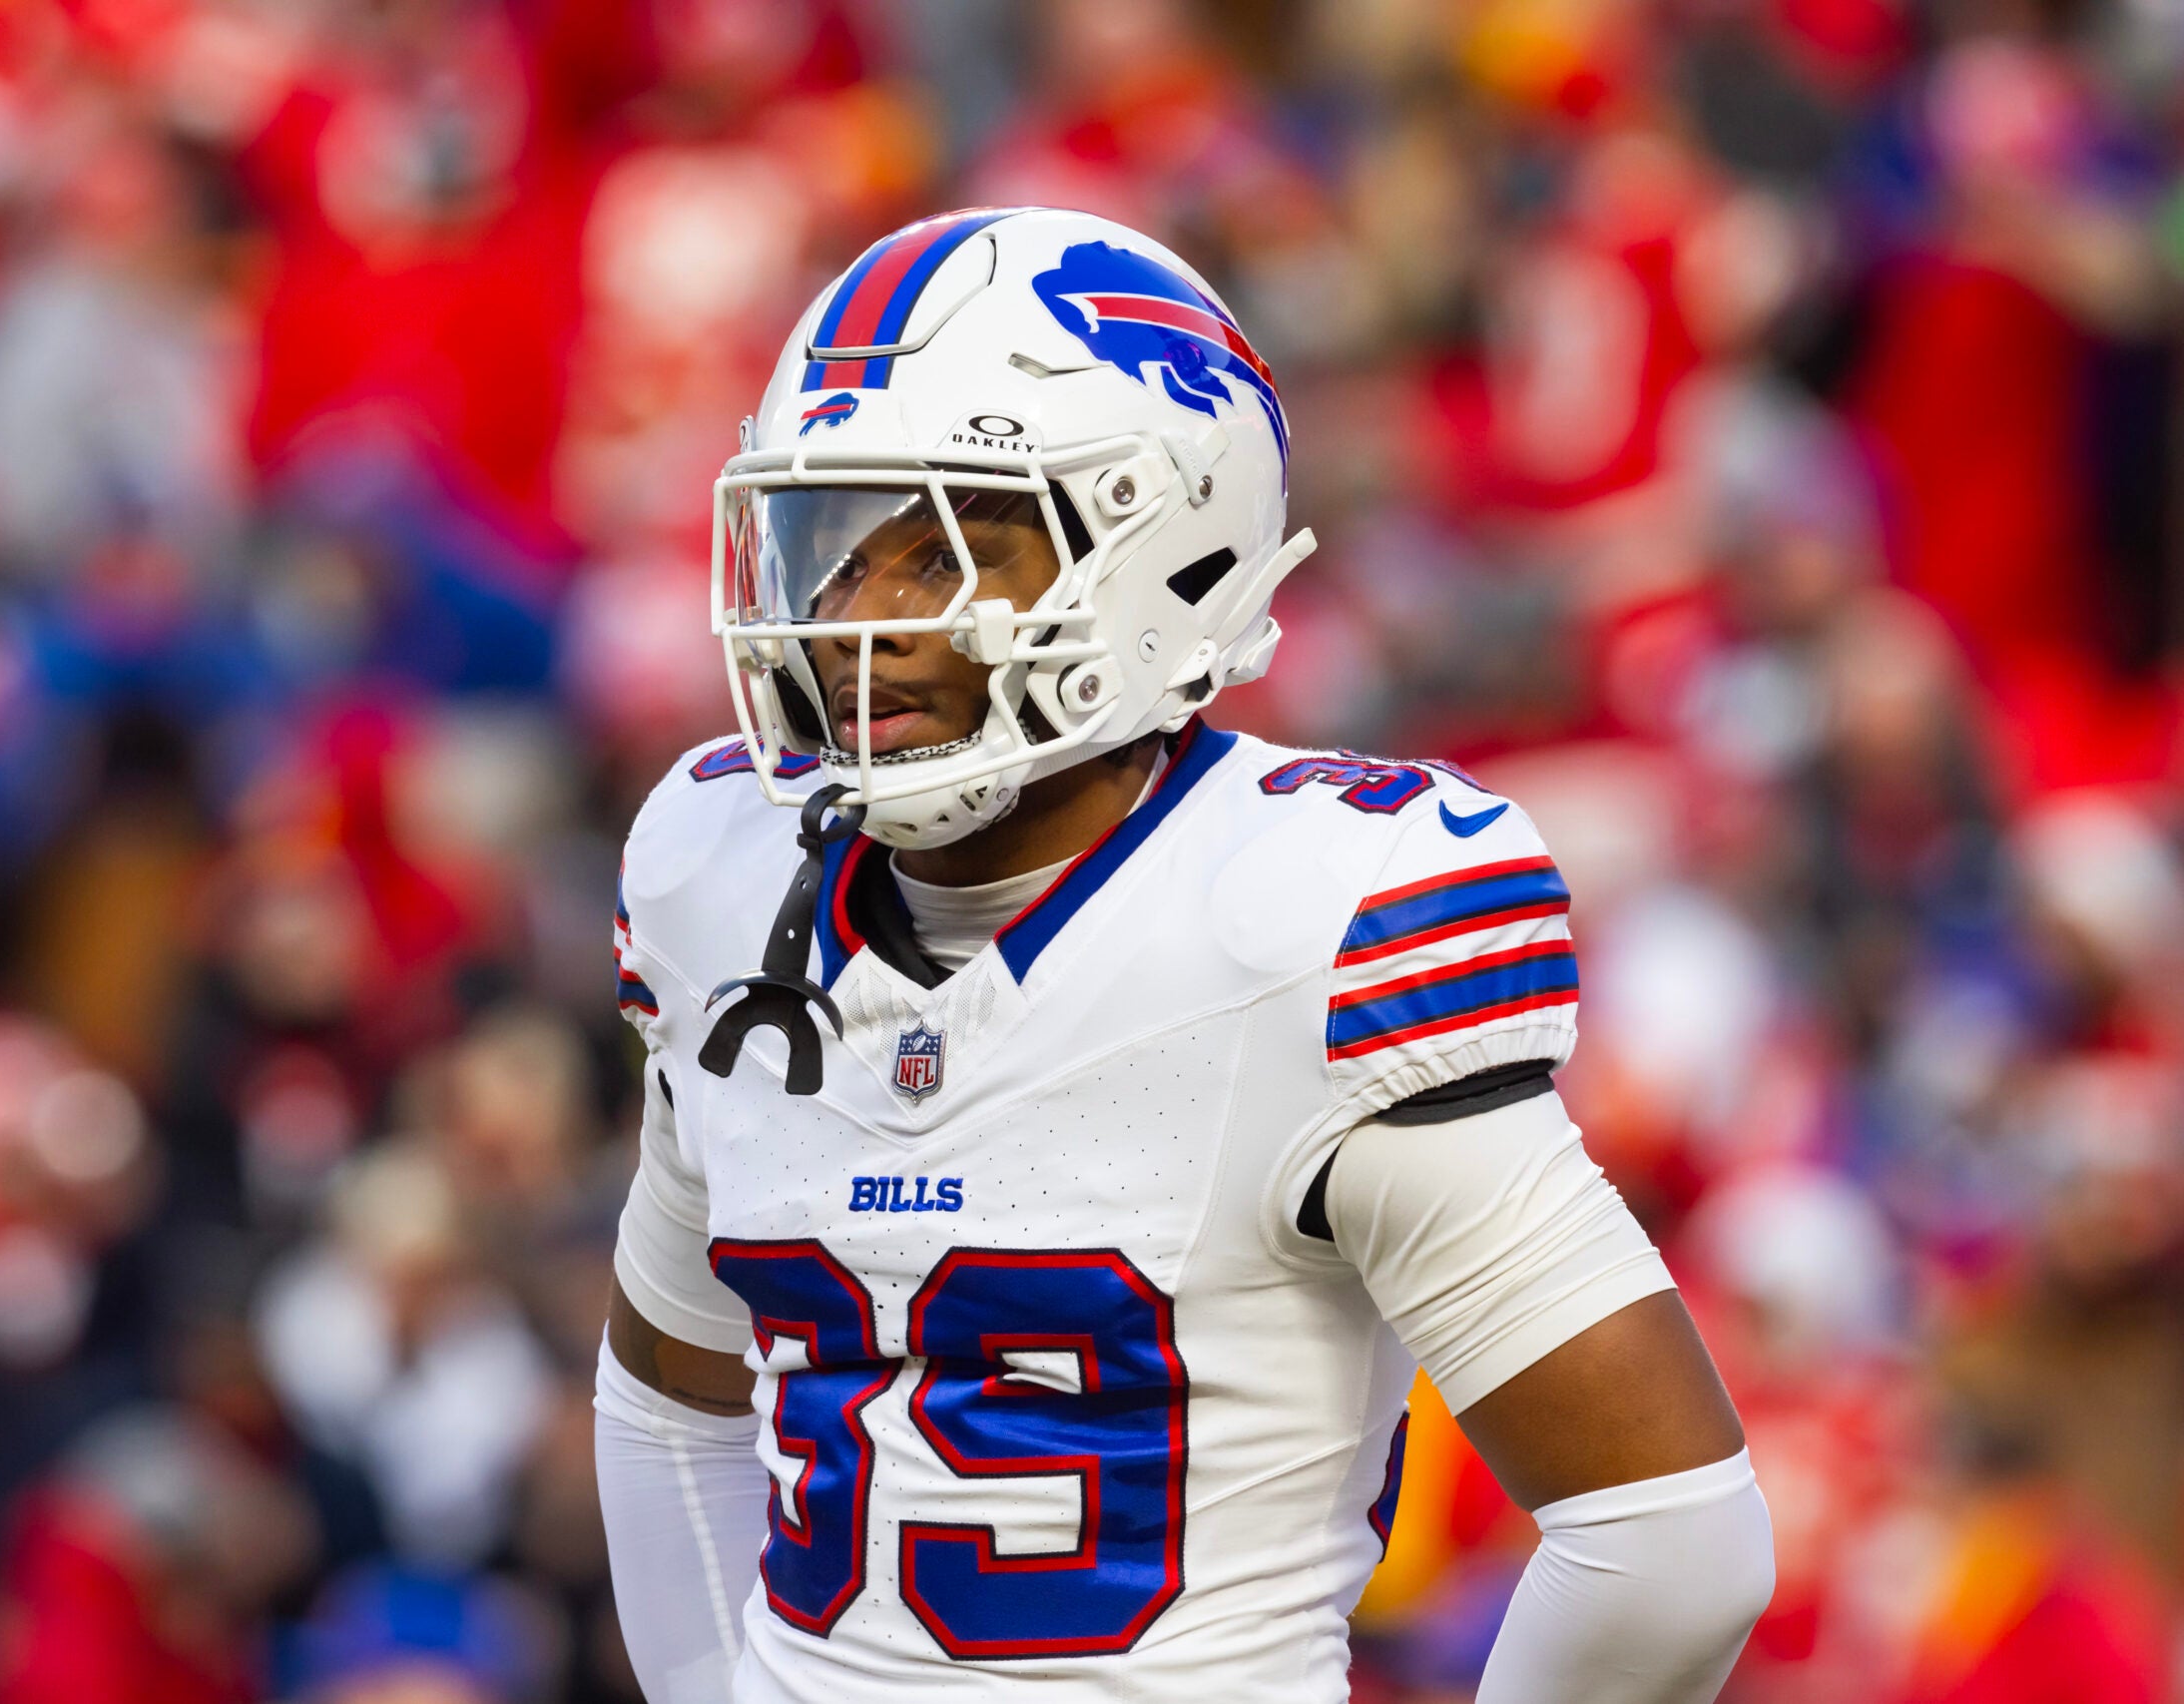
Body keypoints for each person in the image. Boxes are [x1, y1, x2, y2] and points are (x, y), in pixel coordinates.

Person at [592, 206, 1773, 1703]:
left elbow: (1670, 1542)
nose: (855, 625)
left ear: (1158, 553)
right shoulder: (719, 873)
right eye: (832, 551)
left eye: (947, 551)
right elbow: (666, 1400)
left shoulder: (1303, 919)